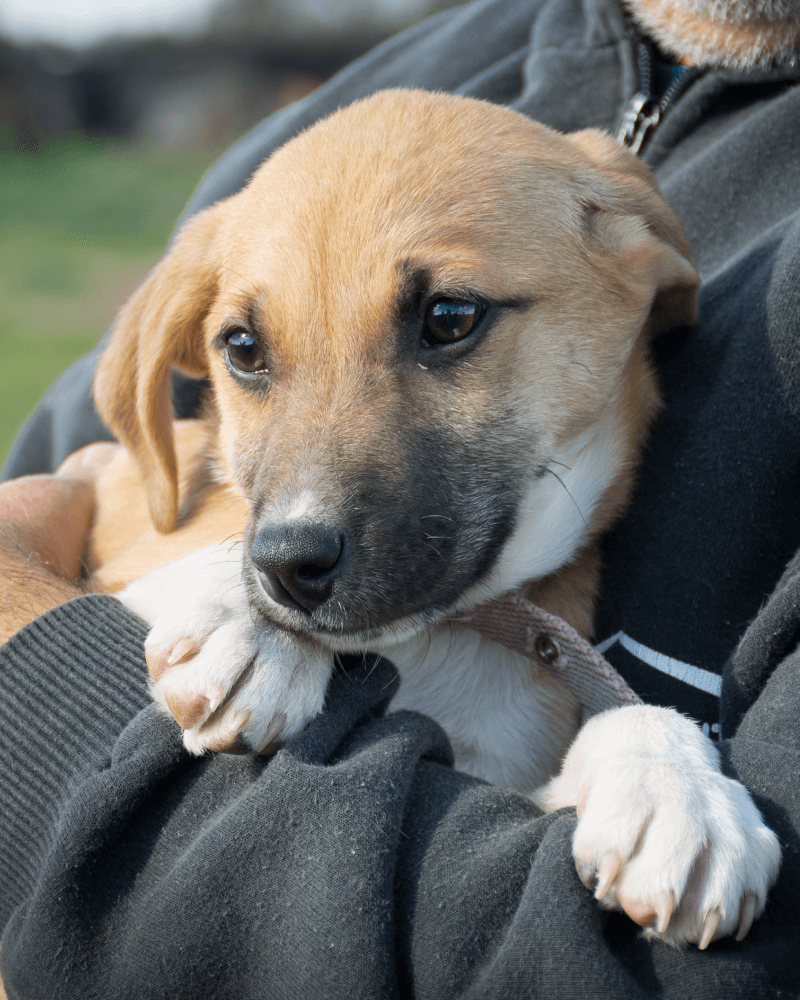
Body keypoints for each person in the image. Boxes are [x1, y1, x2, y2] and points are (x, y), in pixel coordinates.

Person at [2, 0, 800, 995]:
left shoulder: (588, 227)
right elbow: (58, 502)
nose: (304, 516)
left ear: (642, 268)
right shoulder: (326, 132)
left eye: (446, 319)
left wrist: (647, 747)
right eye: (247, 352)